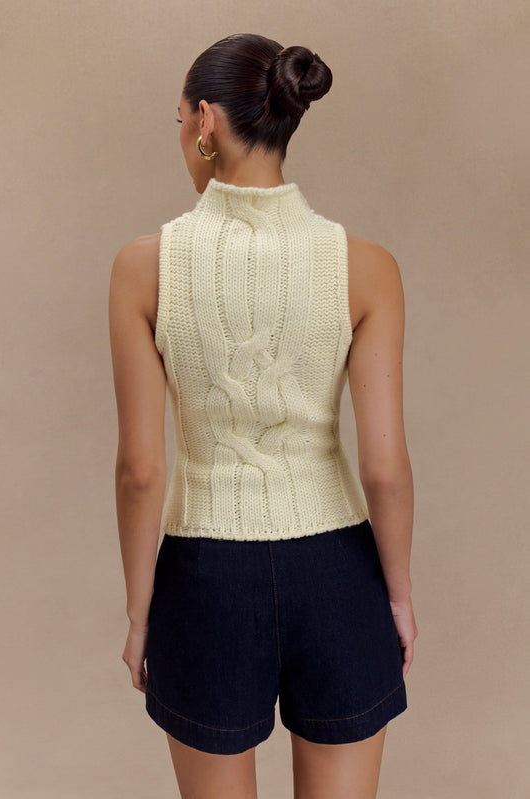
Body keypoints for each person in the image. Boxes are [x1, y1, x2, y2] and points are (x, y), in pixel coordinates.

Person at [109, 32, 418, 799]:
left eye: (179, 119)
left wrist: (141, 612)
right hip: (338, 571)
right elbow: (383, 468)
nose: (181, 135)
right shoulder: (367, 267)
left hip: (203, 577)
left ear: (206, 121)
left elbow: (140, 470)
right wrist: (397, 595)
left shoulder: (142, 268)